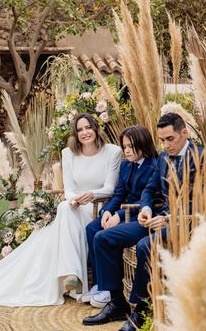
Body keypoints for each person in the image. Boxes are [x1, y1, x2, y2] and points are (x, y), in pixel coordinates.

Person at [0, 113, 121, 313]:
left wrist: (91, 195)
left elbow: (110, 188)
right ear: (75, 133)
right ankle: (72, 274)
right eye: (80, 129)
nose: (84, 133)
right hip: (74, 207)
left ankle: (72, 276)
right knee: (64, 207)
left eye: (88, 127)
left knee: (62, 213)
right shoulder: (68, 153)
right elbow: (70, 189)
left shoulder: (112, 152)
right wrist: (74, 199)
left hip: (98, 208)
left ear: (96, 128)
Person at [83, 112, 202, 331]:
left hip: (186, 221)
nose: (165, 145)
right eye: (162, 140)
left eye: (170, 139)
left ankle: (141, 308)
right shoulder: (164, 159)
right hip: (156, 217)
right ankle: (117, 302)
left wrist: (169, 219)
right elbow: (150, 189)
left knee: (145, 245)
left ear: (184, 133)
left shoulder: (202, 157)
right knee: (102, 237)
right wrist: (146, 208)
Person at [82, 125, 160, 306]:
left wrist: (119, 214)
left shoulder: (154, 165)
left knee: (107, 233)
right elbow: (119, 193)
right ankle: (101, 283)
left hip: (139, 213)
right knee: (92, 227)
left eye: (130, 146)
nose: (126, 150)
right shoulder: (126, 165)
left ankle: (111, 289)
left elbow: (148, 199)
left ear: (143, 144)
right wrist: (108, 211)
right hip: (122, 210)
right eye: (124, 146)